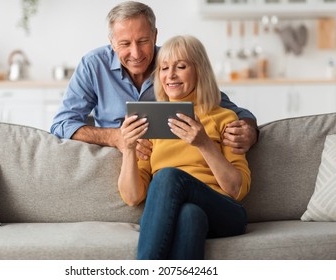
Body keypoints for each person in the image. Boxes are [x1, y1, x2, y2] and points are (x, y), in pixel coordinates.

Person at [50, 1, 258, 158]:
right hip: (119, 166)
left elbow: (235, 111)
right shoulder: (93, 65)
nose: (136, 53)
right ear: (112, 43)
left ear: (155, 36)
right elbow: (62, 124)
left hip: (171, 164)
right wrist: (115, 137)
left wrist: (249, 131)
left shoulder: (173, 65)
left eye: (143, 41)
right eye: (124, 44)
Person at [118, 35, 251, 259]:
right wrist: (129, 149)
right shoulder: (151, 122)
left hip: (226, 212)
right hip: (185, 213)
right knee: (190, 215)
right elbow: (132, 197)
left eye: (180, 67)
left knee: (168, 176)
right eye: (164, 68)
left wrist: (204, 144)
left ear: (200, 71)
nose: (170, 75)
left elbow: (237, 190)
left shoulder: (225, 118)